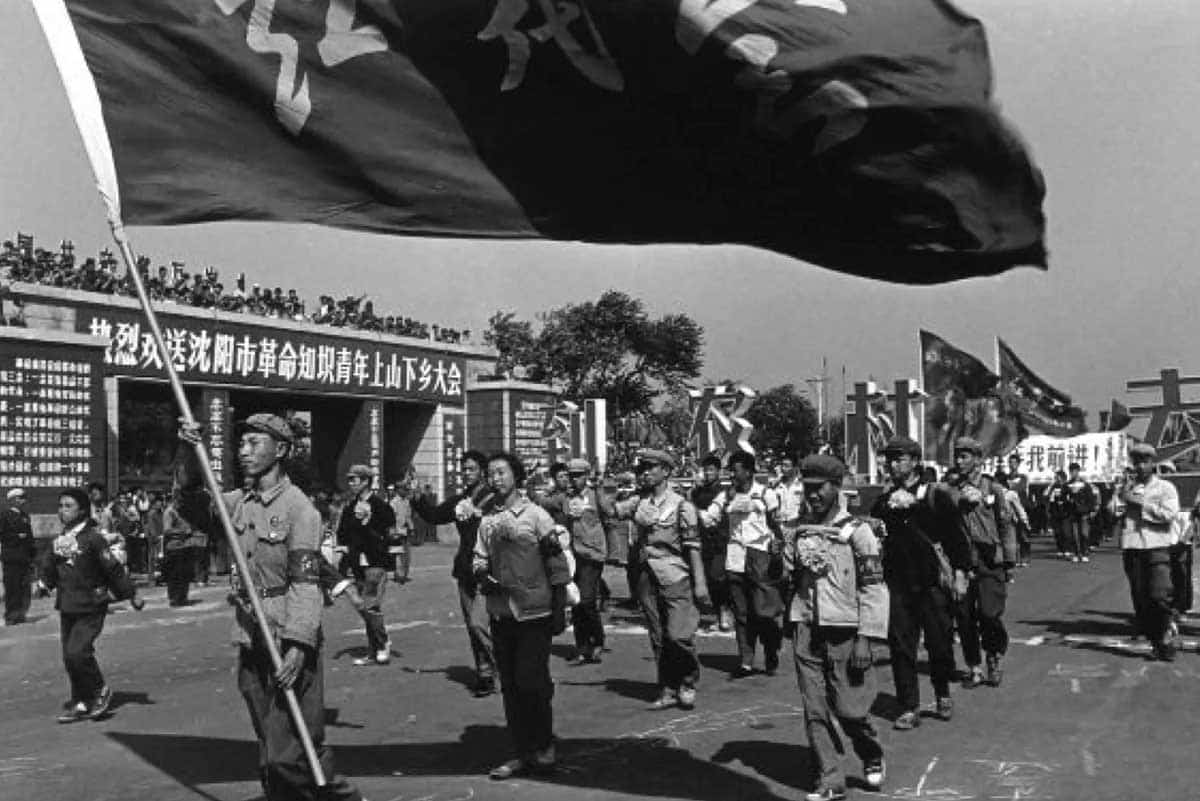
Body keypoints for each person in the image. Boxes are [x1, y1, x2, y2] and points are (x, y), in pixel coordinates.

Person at [180, 413, 365, 800]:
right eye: (241, 444)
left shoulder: (301, 510)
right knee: (269, 743)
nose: (243, 452)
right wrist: (188, 450)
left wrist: (299, 642)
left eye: (254, 443)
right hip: (251, 636)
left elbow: (306, 580)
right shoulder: (240, 503)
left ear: (280, 450)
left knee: (291, 750)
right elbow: (195, 505)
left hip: (286, 636)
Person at [784, 454, 888, 801]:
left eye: (819, 488)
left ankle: (870, 750)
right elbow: (791, 575)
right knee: (814, 708)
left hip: (846, 630)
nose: (811, 495)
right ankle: (831, 778)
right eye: (807, 488)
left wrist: (866, 639)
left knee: (850, 710)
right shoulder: (799, 529)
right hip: (807, 627)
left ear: (837, 487)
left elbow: (873, 587)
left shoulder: (859, 534)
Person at [472, 451, 573, 780]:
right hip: (502, 613)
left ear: (516, 476)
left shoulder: (537, 516)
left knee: (533, 681)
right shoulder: (487, 520)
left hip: (536, 613)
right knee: (512, 685)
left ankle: (544, 746)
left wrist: (559, 608)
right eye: (491, 473)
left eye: (501, 472)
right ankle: (521, 752)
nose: (495, 478)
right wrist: (481, 572)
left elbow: (557, 566)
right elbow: (479, 558)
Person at [871, 437, 969, 730]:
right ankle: (908, 706)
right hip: (898, 583)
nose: (892, 464)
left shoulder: (935, 495)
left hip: (932, 582)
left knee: (939, 643)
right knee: (901, 646)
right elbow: (875, 533)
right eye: (889, 459)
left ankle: (941, 692)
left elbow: (955, 537)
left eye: (899, 458)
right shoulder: (883, 500)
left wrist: (961, 573)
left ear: (915, 461)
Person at [605, 449, 709, 711]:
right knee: (658, 635)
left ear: (666, 471)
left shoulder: (682, 505)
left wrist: (700, 583)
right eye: (642, 468)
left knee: (678, 635)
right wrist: (602, 484)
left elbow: (693, 546)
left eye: (651, 467)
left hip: (674, 573)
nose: (645, 472)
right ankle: (667, 687)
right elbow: (609, 510)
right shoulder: (638, 502)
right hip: (645, 574)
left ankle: (687, 680)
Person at [38, 487, 142, 723]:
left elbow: (112, 568)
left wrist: (131, 593)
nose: (62, 511)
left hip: (91, 604)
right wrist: (44, 583)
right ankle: (81, 701)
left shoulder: (93, 538)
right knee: (69, 656)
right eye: (60, 506)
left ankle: (100, 690)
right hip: (68, 605)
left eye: (68, 506)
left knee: (78, 651)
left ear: (82, 510)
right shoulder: (60, 540)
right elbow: (50, 567)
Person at [411, 450, 499, 697]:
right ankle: (485, 674)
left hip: (487, 570)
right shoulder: (460, 500)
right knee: (472, 627)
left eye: (471, 469)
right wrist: (417, 495)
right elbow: (434, 516)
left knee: (479, 623)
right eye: (464, 469)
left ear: (482, 471)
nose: (466, 473)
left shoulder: (494, 499)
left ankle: (502, 666)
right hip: (464, 569)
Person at [699, 451, 785, 677]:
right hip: (735, 557)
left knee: (763, 611)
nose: (732, 475)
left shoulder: (767, 494)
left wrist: (778, 549)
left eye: (735, 470)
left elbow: (777, 527)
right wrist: (689, 510)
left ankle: (771, 650)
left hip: (760, 556)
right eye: (730, 471)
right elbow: (709, 518)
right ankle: (746, 659)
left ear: (748, 471)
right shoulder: (726, 496)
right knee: (742, 612)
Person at [950, 437, 1017, 688]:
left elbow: (1005, 525)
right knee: (965, 617)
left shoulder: (993, 489)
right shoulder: (951, 488)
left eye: (965, 456)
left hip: (990, 560)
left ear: (978, 460)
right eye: (957, 455)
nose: (959, 461)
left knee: (990, 613)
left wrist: (1009, 560)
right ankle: (974, 666)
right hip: (962, 562)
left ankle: (994, 654)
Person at [1121, 442, 1180, 661]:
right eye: (1136, 462)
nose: (1139, 466)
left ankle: (1165, 633)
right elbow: (1112, 512)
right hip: (1132, 547)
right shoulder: (1127, 489)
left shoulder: (1165, 488)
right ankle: (1157, 641)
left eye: (1144, 461)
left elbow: (1169, 514)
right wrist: (1121, 495)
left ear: (1152, 463)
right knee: (1141, 598)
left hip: (1156, 547)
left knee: (1159, 595)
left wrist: (1140, 504)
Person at [337, 465, 396, 667]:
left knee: (370, 604)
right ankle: (374, 650)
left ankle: (383, 642)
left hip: (376, 561)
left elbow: (389, 524)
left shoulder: (379, 504)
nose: (351, 483)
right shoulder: (350, 505)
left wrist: (369, 521)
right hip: (358, 563)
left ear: (365, 481)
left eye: (354, 479)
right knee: (366, 605)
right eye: (350, 479)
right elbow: (343, 531)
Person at [560, 458, 609, 665]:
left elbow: (608, 510)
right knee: (576, 602)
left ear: (586, 476)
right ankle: (582, 646)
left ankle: (597, 640)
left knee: (587, 600)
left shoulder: (595, 495)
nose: (574, 479)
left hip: (593, 553)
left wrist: (598, 490)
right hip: (574, 555)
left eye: (578, 475)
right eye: (571, 475)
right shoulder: (567, 498)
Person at [690, 455, 731, 632]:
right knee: (702, 577)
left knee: (717, 577)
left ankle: (724, 612)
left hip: (718, 541)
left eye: (711, 470)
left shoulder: (722, 492)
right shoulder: (697, 491)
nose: (708, 473)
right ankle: (710, 613)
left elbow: (709, 518)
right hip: (701, 541)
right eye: (705, 470)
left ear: (718, 472)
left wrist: (693, 510)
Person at [1, 488, 35, 625]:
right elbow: (2, 535)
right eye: (20, 498)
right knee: (12, 586)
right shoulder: (4, 515)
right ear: (13, 499)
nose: (23, 501)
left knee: (24, 587)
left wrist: (32, 554)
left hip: (24, 556)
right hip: (11, 556)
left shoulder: (25, 516)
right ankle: (11, 615)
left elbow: (30, 536)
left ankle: (21, 614)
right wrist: (16, 537)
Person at [1064, 463, 1098, 563]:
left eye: (1075, 471)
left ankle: (1084, 553)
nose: (1073, 473)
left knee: (1084, 533)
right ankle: (1075, 553)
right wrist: (1067, 501)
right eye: (1071, 471)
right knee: (1074, 534)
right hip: (1072, 512)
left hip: (1084, 512)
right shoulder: (1067, 485)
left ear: (1078, 471)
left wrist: (1090, 510)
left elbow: (1091, 498)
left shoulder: (1085, 485)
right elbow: (1062, 497)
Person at [1005, 454, 1033, 566]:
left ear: (1018, 464)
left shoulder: (1023, 477)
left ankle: (1025, 556)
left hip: (1021, 508)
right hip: (1009, 509)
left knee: (1023, 533)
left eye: (1014, 462)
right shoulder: (1005, 477)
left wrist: (1008, 488)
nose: (1012, 465)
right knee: (1012, 534)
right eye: (1010, 462)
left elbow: (1019, 488)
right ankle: (1015, 558)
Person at [386, 483, 413, 584]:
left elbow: (408, 516)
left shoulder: (406, 502)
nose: (405, 492)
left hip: (405, 531)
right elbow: (391, 519)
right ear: (398, 490)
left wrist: (411, 527)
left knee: (406, 555)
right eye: (403, 490)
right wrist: (393, 532)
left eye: (406, 490)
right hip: (397, 532)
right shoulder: (394, 502)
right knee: (397, 555)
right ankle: (398, 575)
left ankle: (404, 575)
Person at [1045, 471, 1071, 559]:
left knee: (1066, 532)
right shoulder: (1053, 486)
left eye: (1057, 477)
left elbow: (1071, 497)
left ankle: (1067, 550)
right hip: (1055, 512)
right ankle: (1060, 550)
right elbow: (1046, 496)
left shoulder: (1068, 486)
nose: (1056, 478)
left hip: (1066, 512)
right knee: (1058, 532)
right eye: (1055, 477)